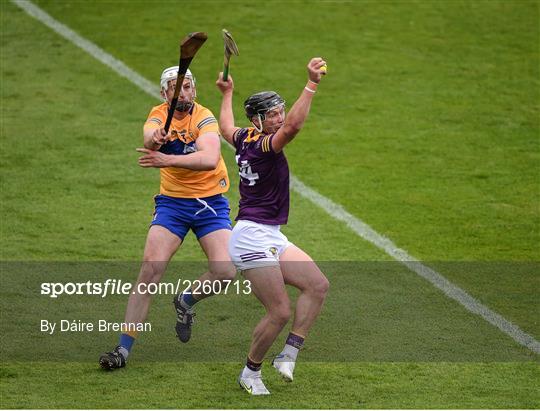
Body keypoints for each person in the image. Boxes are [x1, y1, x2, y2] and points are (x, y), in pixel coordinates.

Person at [99, 66, 236, 370]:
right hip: (173, 204)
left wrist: (166, 158)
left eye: (187, 86)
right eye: (176, 88)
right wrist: (155, 139)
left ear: (195, 90)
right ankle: (122, 349)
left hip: (209, 203)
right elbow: (149, 137)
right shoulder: (159, 113)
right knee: (150, 269)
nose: (183, 92)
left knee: (226, 271)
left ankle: (185, 301)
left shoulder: (204, 117)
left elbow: (209, 158)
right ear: (165, 94)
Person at [215, 57, 330, 395]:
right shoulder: (265, 146)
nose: (280, 118)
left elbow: (224, 127)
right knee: (279, 311)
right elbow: (293, 128)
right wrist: (311, 84)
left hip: (269, 233)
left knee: (318, 285)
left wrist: (226, 93)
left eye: (281, 111)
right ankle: (250, 372)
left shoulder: (244, 137)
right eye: (274, 114)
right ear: (258, 120)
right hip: (251, 236)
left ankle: (288, 354)